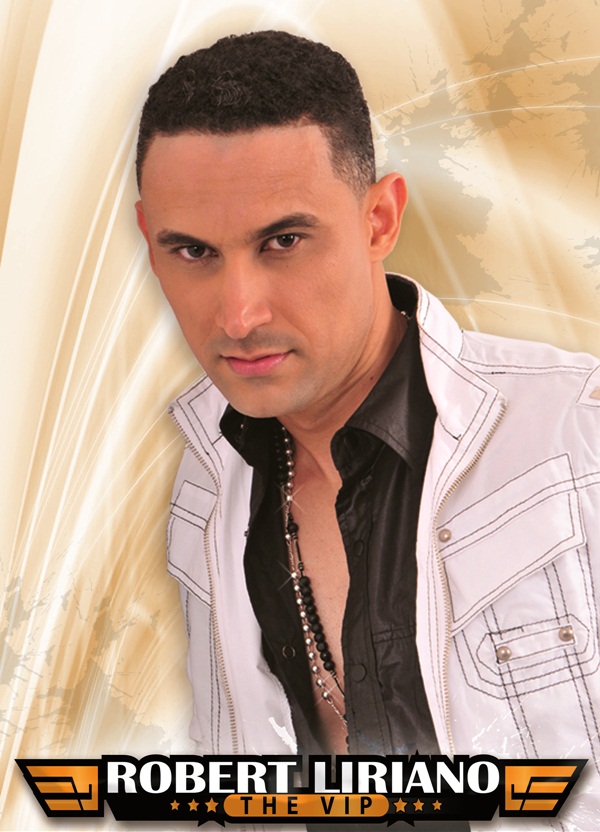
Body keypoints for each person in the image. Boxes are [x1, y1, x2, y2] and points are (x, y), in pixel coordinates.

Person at [135, 30, 600, 827]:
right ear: (151, 241)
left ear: (380, 219)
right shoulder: (208, 474)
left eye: (283, 241)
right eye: (194, 251)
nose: (238, 314)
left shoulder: (572, 433)